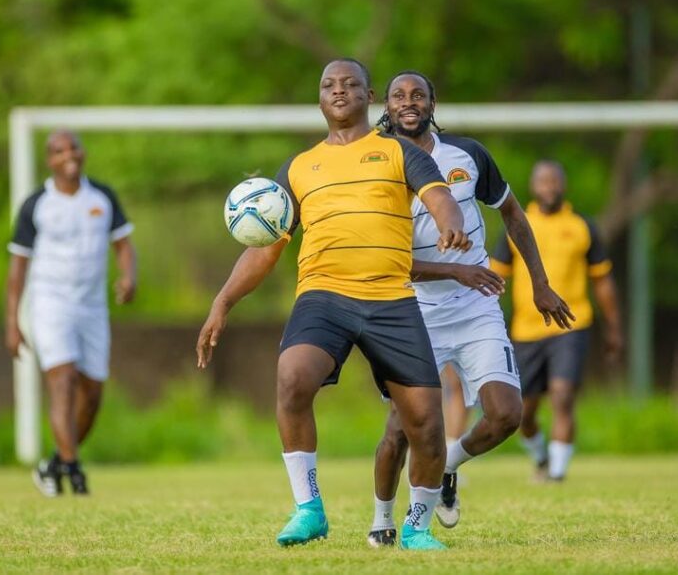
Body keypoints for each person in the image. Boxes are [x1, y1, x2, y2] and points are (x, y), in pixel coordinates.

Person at [195, 59, 471, 550]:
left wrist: (450, 222)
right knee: (292, 378)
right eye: (328, 84)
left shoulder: (398, 152)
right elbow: (266, 248)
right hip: (323, 295)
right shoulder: (299, 168)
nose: (338, 90)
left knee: (427, 424)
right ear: (320, 99)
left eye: (350, 84)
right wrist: (222, 302)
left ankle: (416, 528)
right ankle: (309, 508)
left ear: (369, 97)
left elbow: (440, 200)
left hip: (391, 299)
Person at [368, 71, 573, 546]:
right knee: (401, 429)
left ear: (433, 101)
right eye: (399, 95)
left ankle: (448, 467)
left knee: (506, 416)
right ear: (388, 106)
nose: (409, 102)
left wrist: (540, 284)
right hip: (412, 310)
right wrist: (456, 270)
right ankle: (382, 519)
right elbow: (387, 258)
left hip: (476, 305)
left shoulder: (468, 155)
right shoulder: (377, 166)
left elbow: (513, 214)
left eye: (418, 94)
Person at [6, 130, 138, 497]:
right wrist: (12, 323)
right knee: (62, 382)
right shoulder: (37, 204)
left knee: (92, 395)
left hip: (92, 307)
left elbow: (124, 246)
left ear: (83, 151)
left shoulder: (102, 197)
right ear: (49, 160)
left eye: (74, 147)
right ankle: (75, 473)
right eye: (59, 150)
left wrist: (128, 277)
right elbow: (17, 267)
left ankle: (56, 463)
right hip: (50, 303)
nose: (69, 154)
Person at [491, 160, 623, 482]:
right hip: (526, 330)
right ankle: (541, 457)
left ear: (563, 186)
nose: (549, 187)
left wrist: (614, 328)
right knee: (524, 412)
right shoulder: (517, 225)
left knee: (563, 395)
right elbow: (495, 279)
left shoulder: (582, 226)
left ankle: (558, 474)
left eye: (555, 181)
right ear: (533, 187)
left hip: (572, 325)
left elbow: (602, 281)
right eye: (543, 182)